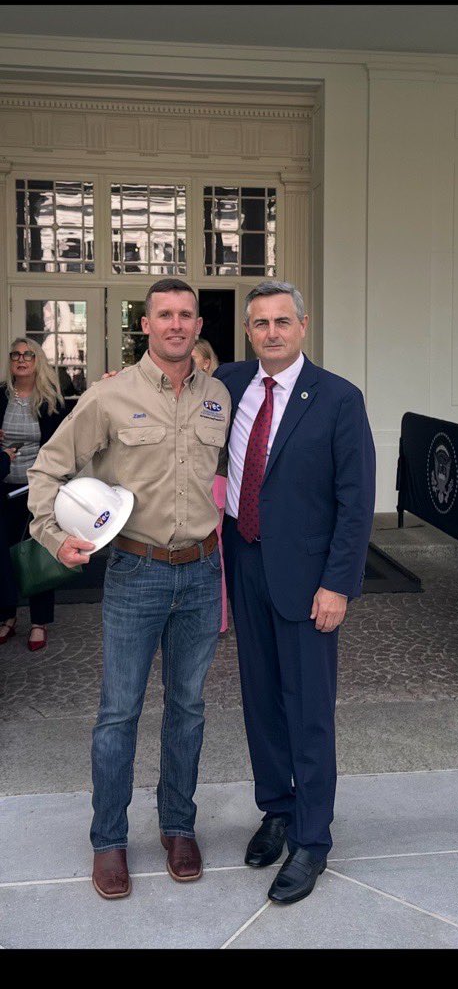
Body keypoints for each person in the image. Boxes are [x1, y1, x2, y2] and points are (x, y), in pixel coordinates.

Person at [27, 278, 231, 899]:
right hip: (135, 574)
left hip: (202, 571)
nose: (176, 324)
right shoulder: (108, 398)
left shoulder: (219, 396)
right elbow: (48, 470)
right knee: (119, 713)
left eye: (186, 315)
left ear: (199, 325)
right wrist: (51, 534)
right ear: (145, 325)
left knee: (189, 708)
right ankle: (108, 840)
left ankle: (178, 827)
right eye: (164, 315)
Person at [215, 280, 376, 906]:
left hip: (309, 581)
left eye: (283, 321)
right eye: (260, 324)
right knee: (260, 700)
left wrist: (339, 583)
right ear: (249, 331)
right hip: (243, 562)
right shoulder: (227, 387)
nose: (272, 332)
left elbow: (355, 502)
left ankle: (312, 838)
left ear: (303, 327)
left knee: (307, 707)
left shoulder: (337, 398)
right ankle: (276, 810)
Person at [0, 337, 71, 651]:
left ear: (38, 360)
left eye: (28, 354)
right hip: (3, 489)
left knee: (39, 553)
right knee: (5, 555)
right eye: (15, 354)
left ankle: (39, 621)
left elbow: (61, 447)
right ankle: (8, 615)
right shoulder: (0, 395)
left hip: (38, 490)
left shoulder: (50, 400)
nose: (21, 359)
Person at [192, 338, 228, 634]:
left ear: (206, 362)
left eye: (193, 358)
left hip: (215, 481)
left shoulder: (218, 396)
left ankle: (218, 619)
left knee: (215, 553)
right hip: (194, 483)